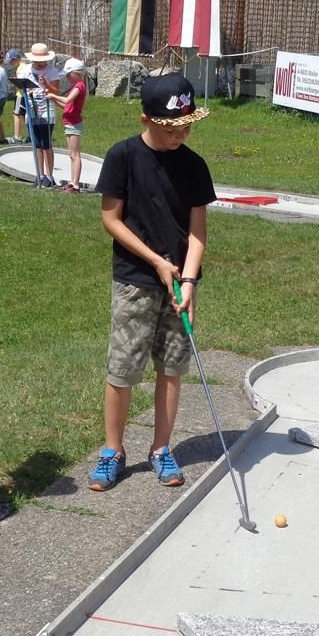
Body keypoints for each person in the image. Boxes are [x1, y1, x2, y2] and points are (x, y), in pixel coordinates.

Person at [90, 73, 216, 492]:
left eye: (186, 126)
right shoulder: (123, 156)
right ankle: (112, 450)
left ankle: (161, 448)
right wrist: (157, 262)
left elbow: (197, 232)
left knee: (172, 368)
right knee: (123, 368)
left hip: (180, 284)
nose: (180, 134)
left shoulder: (194, 166)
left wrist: (190, 279)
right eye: (171, 127)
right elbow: (111, 219)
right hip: (136, 279)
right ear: (146, 119)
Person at [20, 42, 61, 187]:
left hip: (46, 110)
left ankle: (49, 176)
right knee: (36, 144)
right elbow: (21, 87)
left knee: (46, 144)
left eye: (42, 61)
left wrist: (46, 84)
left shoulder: (52, 71)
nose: (39, 64)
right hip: (31, 110)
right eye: (37, 61)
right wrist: (26, 90)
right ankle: (39, 174)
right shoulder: (26, 70)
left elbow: (56, 90)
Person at [47, 57, 88, 192]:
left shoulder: (79, 86)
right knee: (71, 154)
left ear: (76, 73)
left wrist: (53, 96)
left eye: (68, 75)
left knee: (75, 154)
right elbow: (66, 106)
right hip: (69, 122)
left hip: (74, 123)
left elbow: (67, 100)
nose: (67, 78)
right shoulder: (75, 87)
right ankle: (72, 181)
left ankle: (75, 184)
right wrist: (54, 100)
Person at [5, 49, 27, 142]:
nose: (10, 63)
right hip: (25, 95)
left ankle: (16, 136)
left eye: (11, 61)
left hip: (20, 95)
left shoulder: (21, 69)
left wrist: (14, 82)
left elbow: (20, 82)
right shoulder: (24, 66)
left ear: (16, 59)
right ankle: (30, 135)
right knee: (25, 115)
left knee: (16, 114)